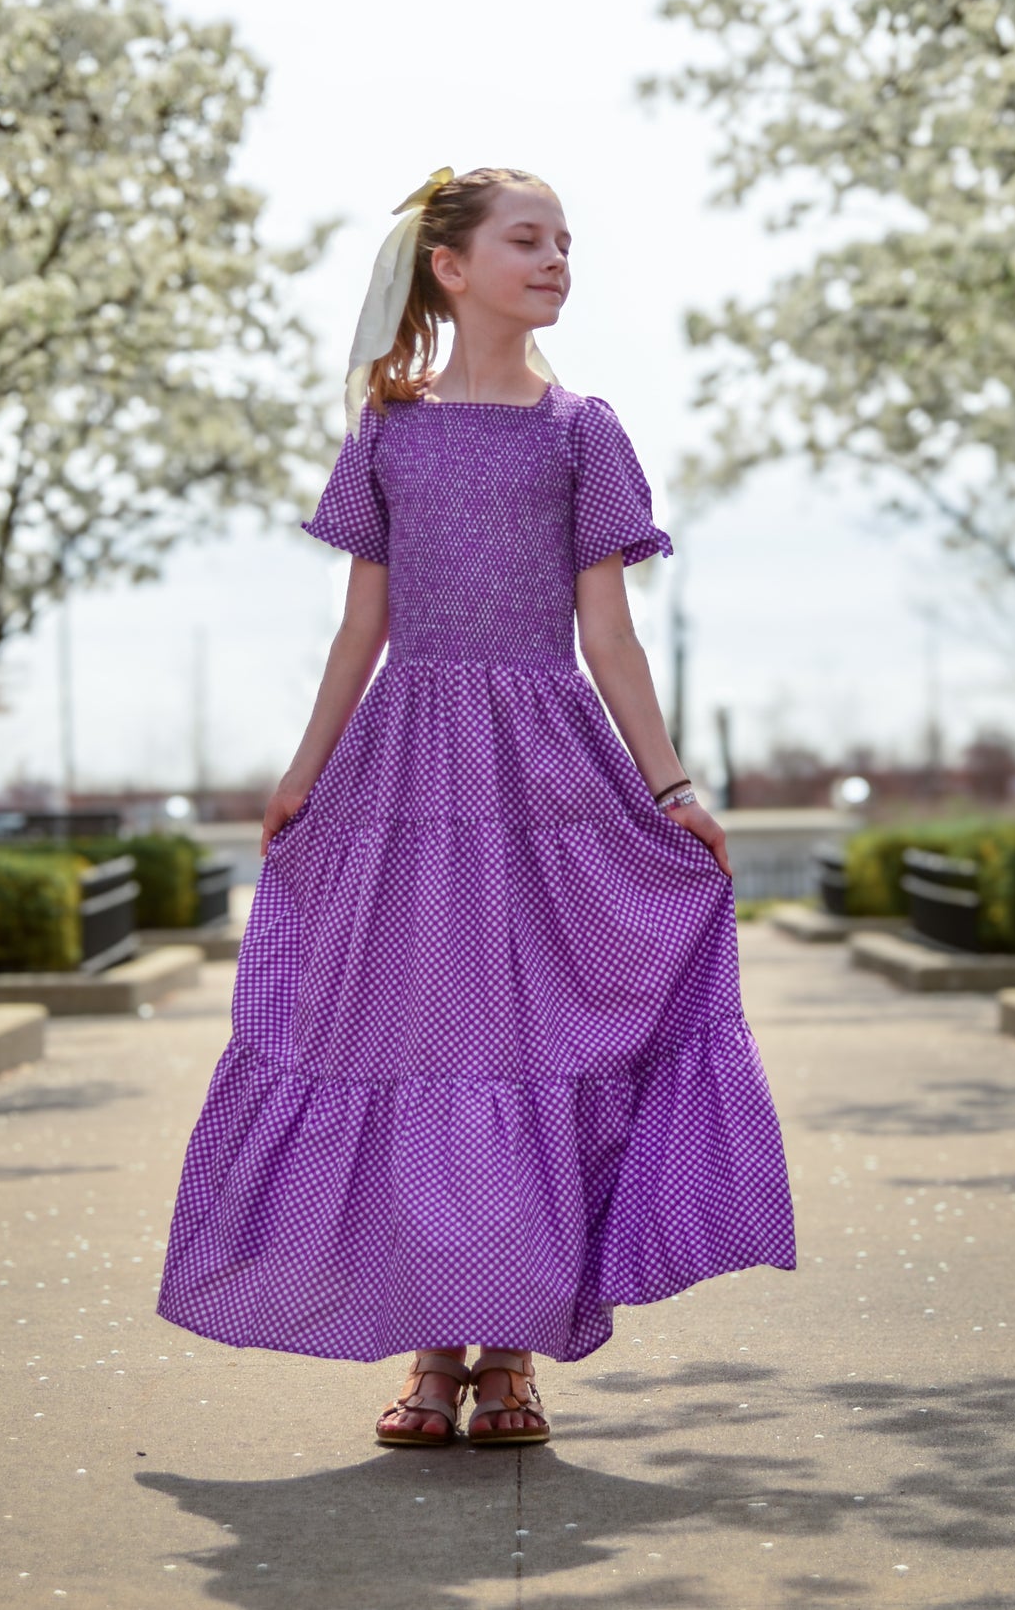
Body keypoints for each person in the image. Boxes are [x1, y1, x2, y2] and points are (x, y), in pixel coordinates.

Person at [157, 164, 796, 1446]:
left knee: (528, 1041)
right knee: (412, 1042)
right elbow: (363, 624)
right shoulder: (388, 429)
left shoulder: (583, 431)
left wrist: (668, 786)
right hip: (405, 772)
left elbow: (607, 633)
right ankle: (427, 1355)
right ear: (451, 265)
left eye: (566, 240)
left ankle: (510, 1354)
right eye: (528, 239)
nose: (557, 258)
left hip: (546, 773)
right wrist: (300, 773)